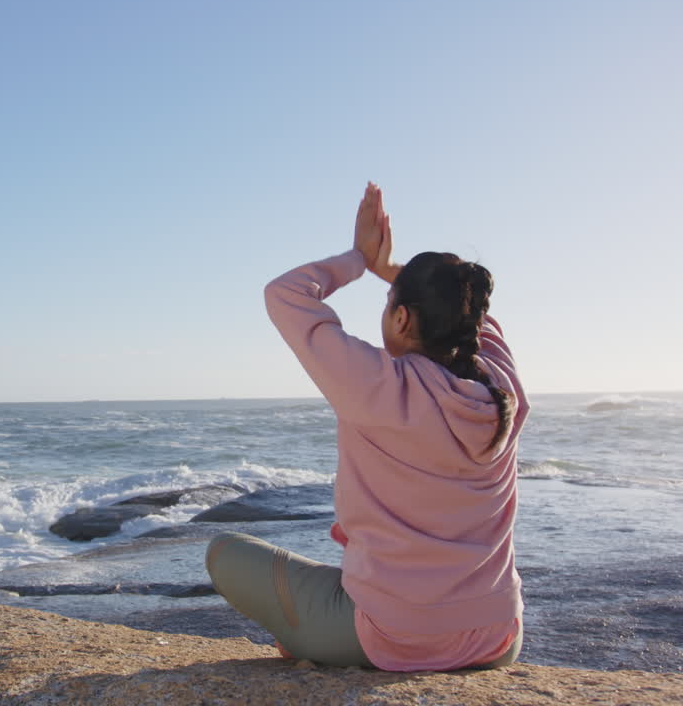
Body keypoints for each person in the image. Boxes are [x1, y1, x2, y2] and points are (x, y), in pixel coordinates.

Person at [204, 181, 529, 671]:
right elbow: (474, 320)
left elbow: (284, 293)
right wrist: (397, 276)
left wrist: (361, 259)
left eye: (388, 305)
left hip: (395, 638)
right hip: (498, 637)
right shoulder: (504, 389)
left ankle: (314, 641)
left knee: (224, 550)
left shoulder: (378, 386)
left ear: (400, 318)